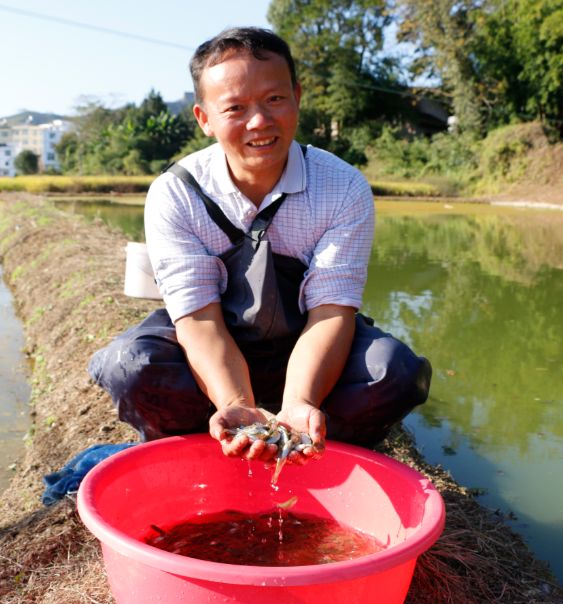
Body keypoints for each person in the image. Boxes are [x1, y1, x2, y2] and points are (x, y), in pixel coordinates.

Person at [88, 27, 431, 465]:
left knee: (394, 372)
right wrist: (236, 402)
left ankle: (311, 445)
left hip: (309, 340)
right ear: (204, 119)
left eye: (274, 100)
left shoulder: (342, 186)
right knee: (129, 365)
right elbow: (198, 319)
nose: (259, 122)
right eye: (235, 108)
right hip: (213, 346)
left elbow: (330, 310)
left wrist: (300, 401)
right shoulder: (176, 193)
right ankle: (211, 444)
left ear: (297, 98)